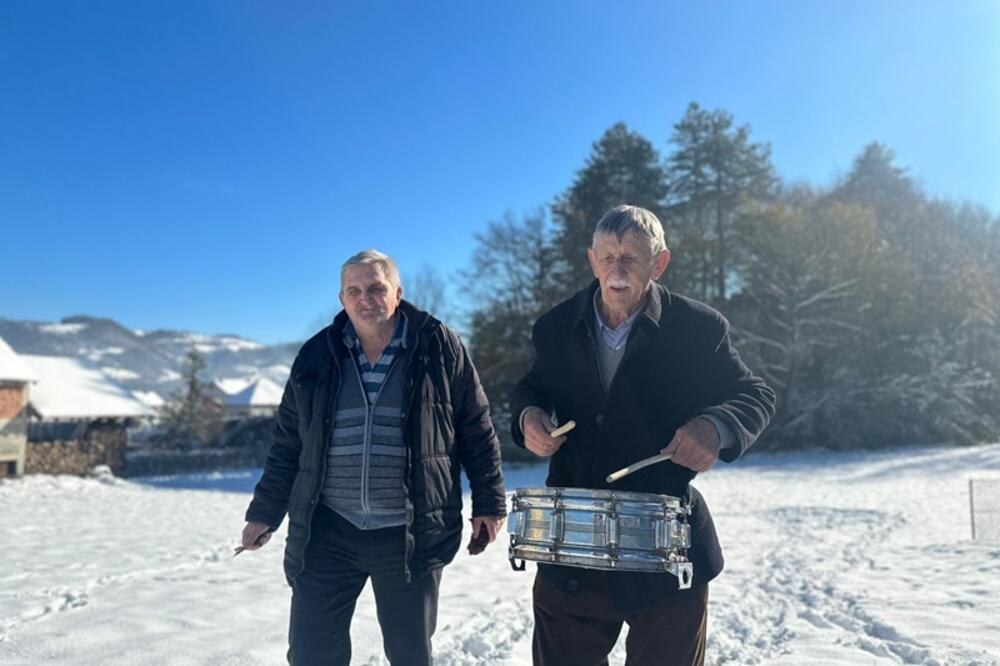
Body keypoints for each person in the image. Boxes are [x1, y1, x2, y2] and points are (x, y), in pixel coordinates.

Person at [511, 205, 776, 666]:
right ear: (591, 261)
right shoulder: (554, 326)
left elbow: (754, 394)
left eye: (631, 258)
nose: (617, 271)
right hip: (571, 549)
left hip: (667, 557)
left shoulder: (697, 328)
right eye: (607, 258)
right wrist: (528, 415)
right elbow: (533, 386)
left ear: (659, 263)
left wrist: (715, 427)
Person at [241, 249, 506, 666]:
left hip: (408, 532)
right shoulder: (316, 355)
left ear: (397, 293)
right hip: (327, 529)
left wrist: (489, 502)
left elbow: (475, 426)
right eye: (354, 290)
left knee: (409, 654)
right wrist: (265, 512)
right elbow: (289, 443)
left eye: (377, 288)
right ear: (342, 298)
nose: (366, 299)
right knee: (311, 653)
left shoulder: (438, 346)